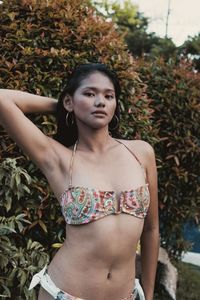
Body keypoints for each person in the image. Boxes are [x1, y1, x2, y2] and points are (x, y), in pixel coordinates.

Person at [0, 63, 159, 300]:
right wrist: (64, 105)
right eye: (89, 94)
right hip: (66, 293)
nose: (100, 102)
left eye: (109, 96)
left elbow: (151, 228)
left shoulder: (140, 153)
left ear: (115, 104)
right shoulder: (58, 158)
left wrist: (148, 291)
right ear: (69, 101)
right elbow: (3, 99)